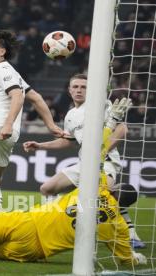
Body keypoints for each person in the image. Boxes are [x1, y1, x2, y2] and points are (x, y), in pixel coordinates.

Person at [23, 74, 145, 249]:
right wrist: (40, 145)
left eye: (84, 87)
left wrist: (101, 152)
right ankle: (50, 225)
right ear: (69, 90)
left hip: (106, 161)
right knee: (47, 189)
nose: (79, 90)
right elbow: (67, 141)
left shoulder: (100, 105)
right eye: (76, 87)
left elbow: (122, 129)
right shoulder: (71, 115)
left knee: (106, 195)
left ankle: (131, 234)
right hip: (84, 162)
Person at [0, 184, 147, 266]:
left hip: (26, 223)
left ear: (114, 189)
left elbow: (99, 151)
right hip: (32, 252)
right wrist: (137, 258)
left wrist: (111, 123)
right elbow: (125, 260)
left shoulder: (98, 187)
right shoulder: (117, 225)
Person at [0, 30, 64, 213]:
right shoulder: (10, 71)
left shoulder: (2, 70)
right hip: (6, 134)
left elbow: (17, 96)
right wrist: (51, 125)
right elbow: (37, 98)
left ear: (2, 52)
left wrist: (7, 124)